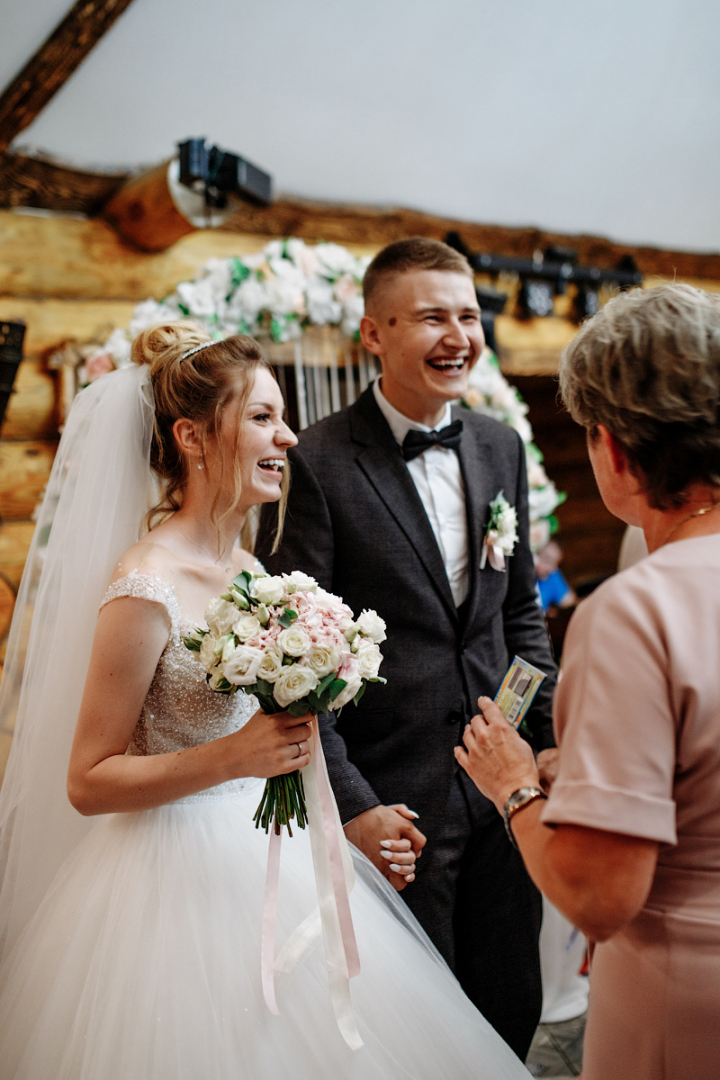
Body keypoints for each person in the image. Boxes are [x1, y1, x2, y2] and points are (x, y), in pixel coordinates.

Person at [0, 323, 530, 1079]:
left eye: (280, 416)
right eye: (261, 418)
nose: (286, 435)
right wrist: (231, 758)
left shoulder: (251, 568)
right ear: (191, 436)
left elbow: (283, 742)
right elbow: (87, 780)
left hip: (270, 851)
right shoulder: (143, 584)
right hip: (168, 882)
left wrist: (351, 825)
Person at [258, 237, 559, 1058]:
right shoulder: (317, 461)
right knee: (410, 1034)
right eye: (432, 317)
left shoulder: (500, 446)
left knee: (512, 1008)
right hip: (398, 802)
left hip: (503, 793)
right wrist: (354, 806)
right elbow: (298, 666)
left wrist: (541, 738)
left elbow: (521, 612)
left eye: (468, 315)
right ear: (373, 335)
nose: (458, 334)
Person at [455, 283, 720, 1080]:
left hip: (686, 993)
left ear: (612, 448)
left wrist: (514, 786)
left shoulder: (634, 611)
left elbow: (601, 897)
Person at [534, 539, 576, 612]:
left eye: (554, 563)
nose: (550, 567)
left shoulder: (552, 576)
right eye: (546, 559)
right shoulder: (523, 574)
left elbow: (569, 601)